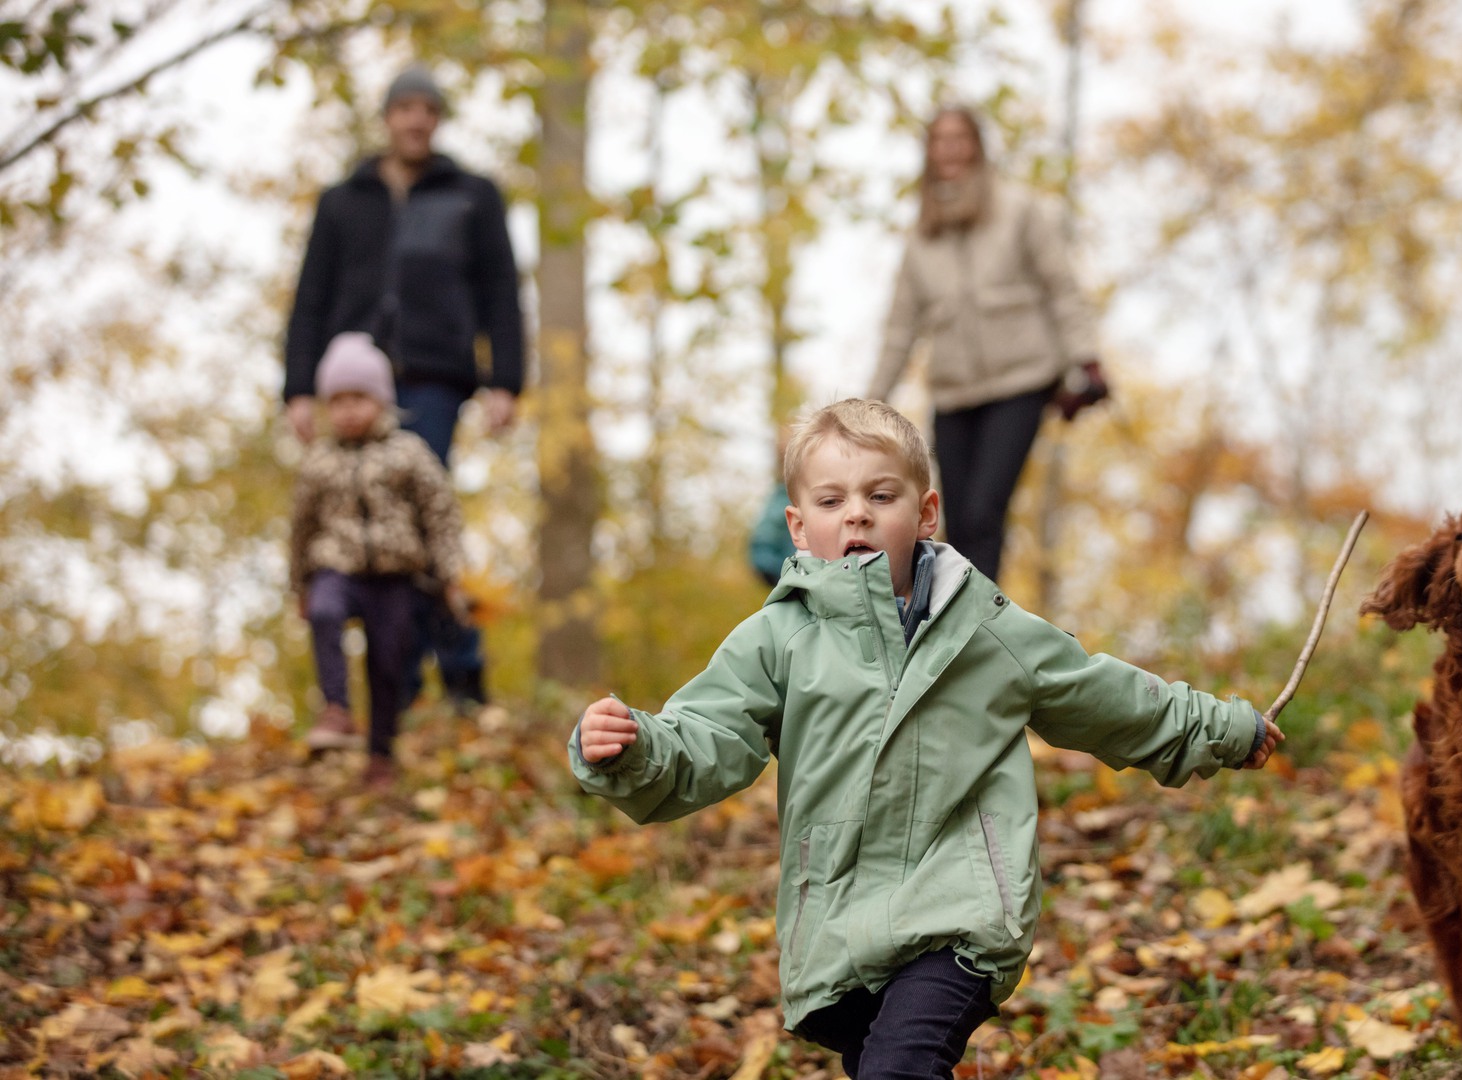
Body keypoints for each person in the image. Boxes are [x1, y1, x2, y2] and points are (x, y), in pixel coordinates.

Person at [568, 399, 1281, 1078]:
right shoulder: (777, 640)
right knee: (887, 1063)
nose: (857, 513)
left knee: (901, 1067)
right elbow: (711, 734)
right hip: (838, 922)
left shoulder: (984, 629)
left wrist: (1222, 727)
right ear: (796, 526)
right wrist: (641, 748)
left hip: (959, 912)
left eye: (881, 496)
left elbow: (1100, 695)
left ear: (926, 513)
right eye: (831, 500)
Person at [283, 63, 523, 707]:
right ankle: (402, 687)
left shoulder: (472, 194)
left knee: (425, 517)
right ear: (387, 116)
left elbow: (501, 289)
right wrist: (298, 388)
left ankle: (460, 678)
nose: (416, 119)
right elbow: (311, 297)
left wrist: (506, 380)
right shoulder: (343, 201)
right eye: (405, 107)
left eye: (428, 109)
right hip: (352, 383)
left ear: (437, 120)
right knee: (358, 532)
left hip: (434, 381)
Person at [867, 107, 1109, 583]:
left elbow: (1061, 287)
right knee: (953, 525)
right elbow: (900, 330)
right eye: (940, 140)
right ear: (929, 153)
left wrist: (1087, 360)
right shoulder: (922, 238)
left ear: (977, 145)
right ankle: (959, 627)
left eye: (960, 138)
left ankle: (983, 628)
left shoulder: (1020, 210)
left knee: (984, 511)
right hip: (954, 392)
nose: (950, 148)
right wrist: (870, 404)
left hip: (1021, 380)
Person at [290, 333, 465, 787]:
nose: (348, 410)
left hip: (395, 576)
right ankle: (337, 709)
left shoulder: (407, 453)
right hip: (336, 567)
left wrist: (450, 576)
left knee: (388, 664)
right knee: (326, 613)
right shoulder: (319, 461)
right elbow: (301, 527)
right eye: (338, 401)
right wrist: (300, 586)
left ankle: (380, 755)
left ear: (382, 400)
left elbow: (440, 513)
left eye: (358, 398)